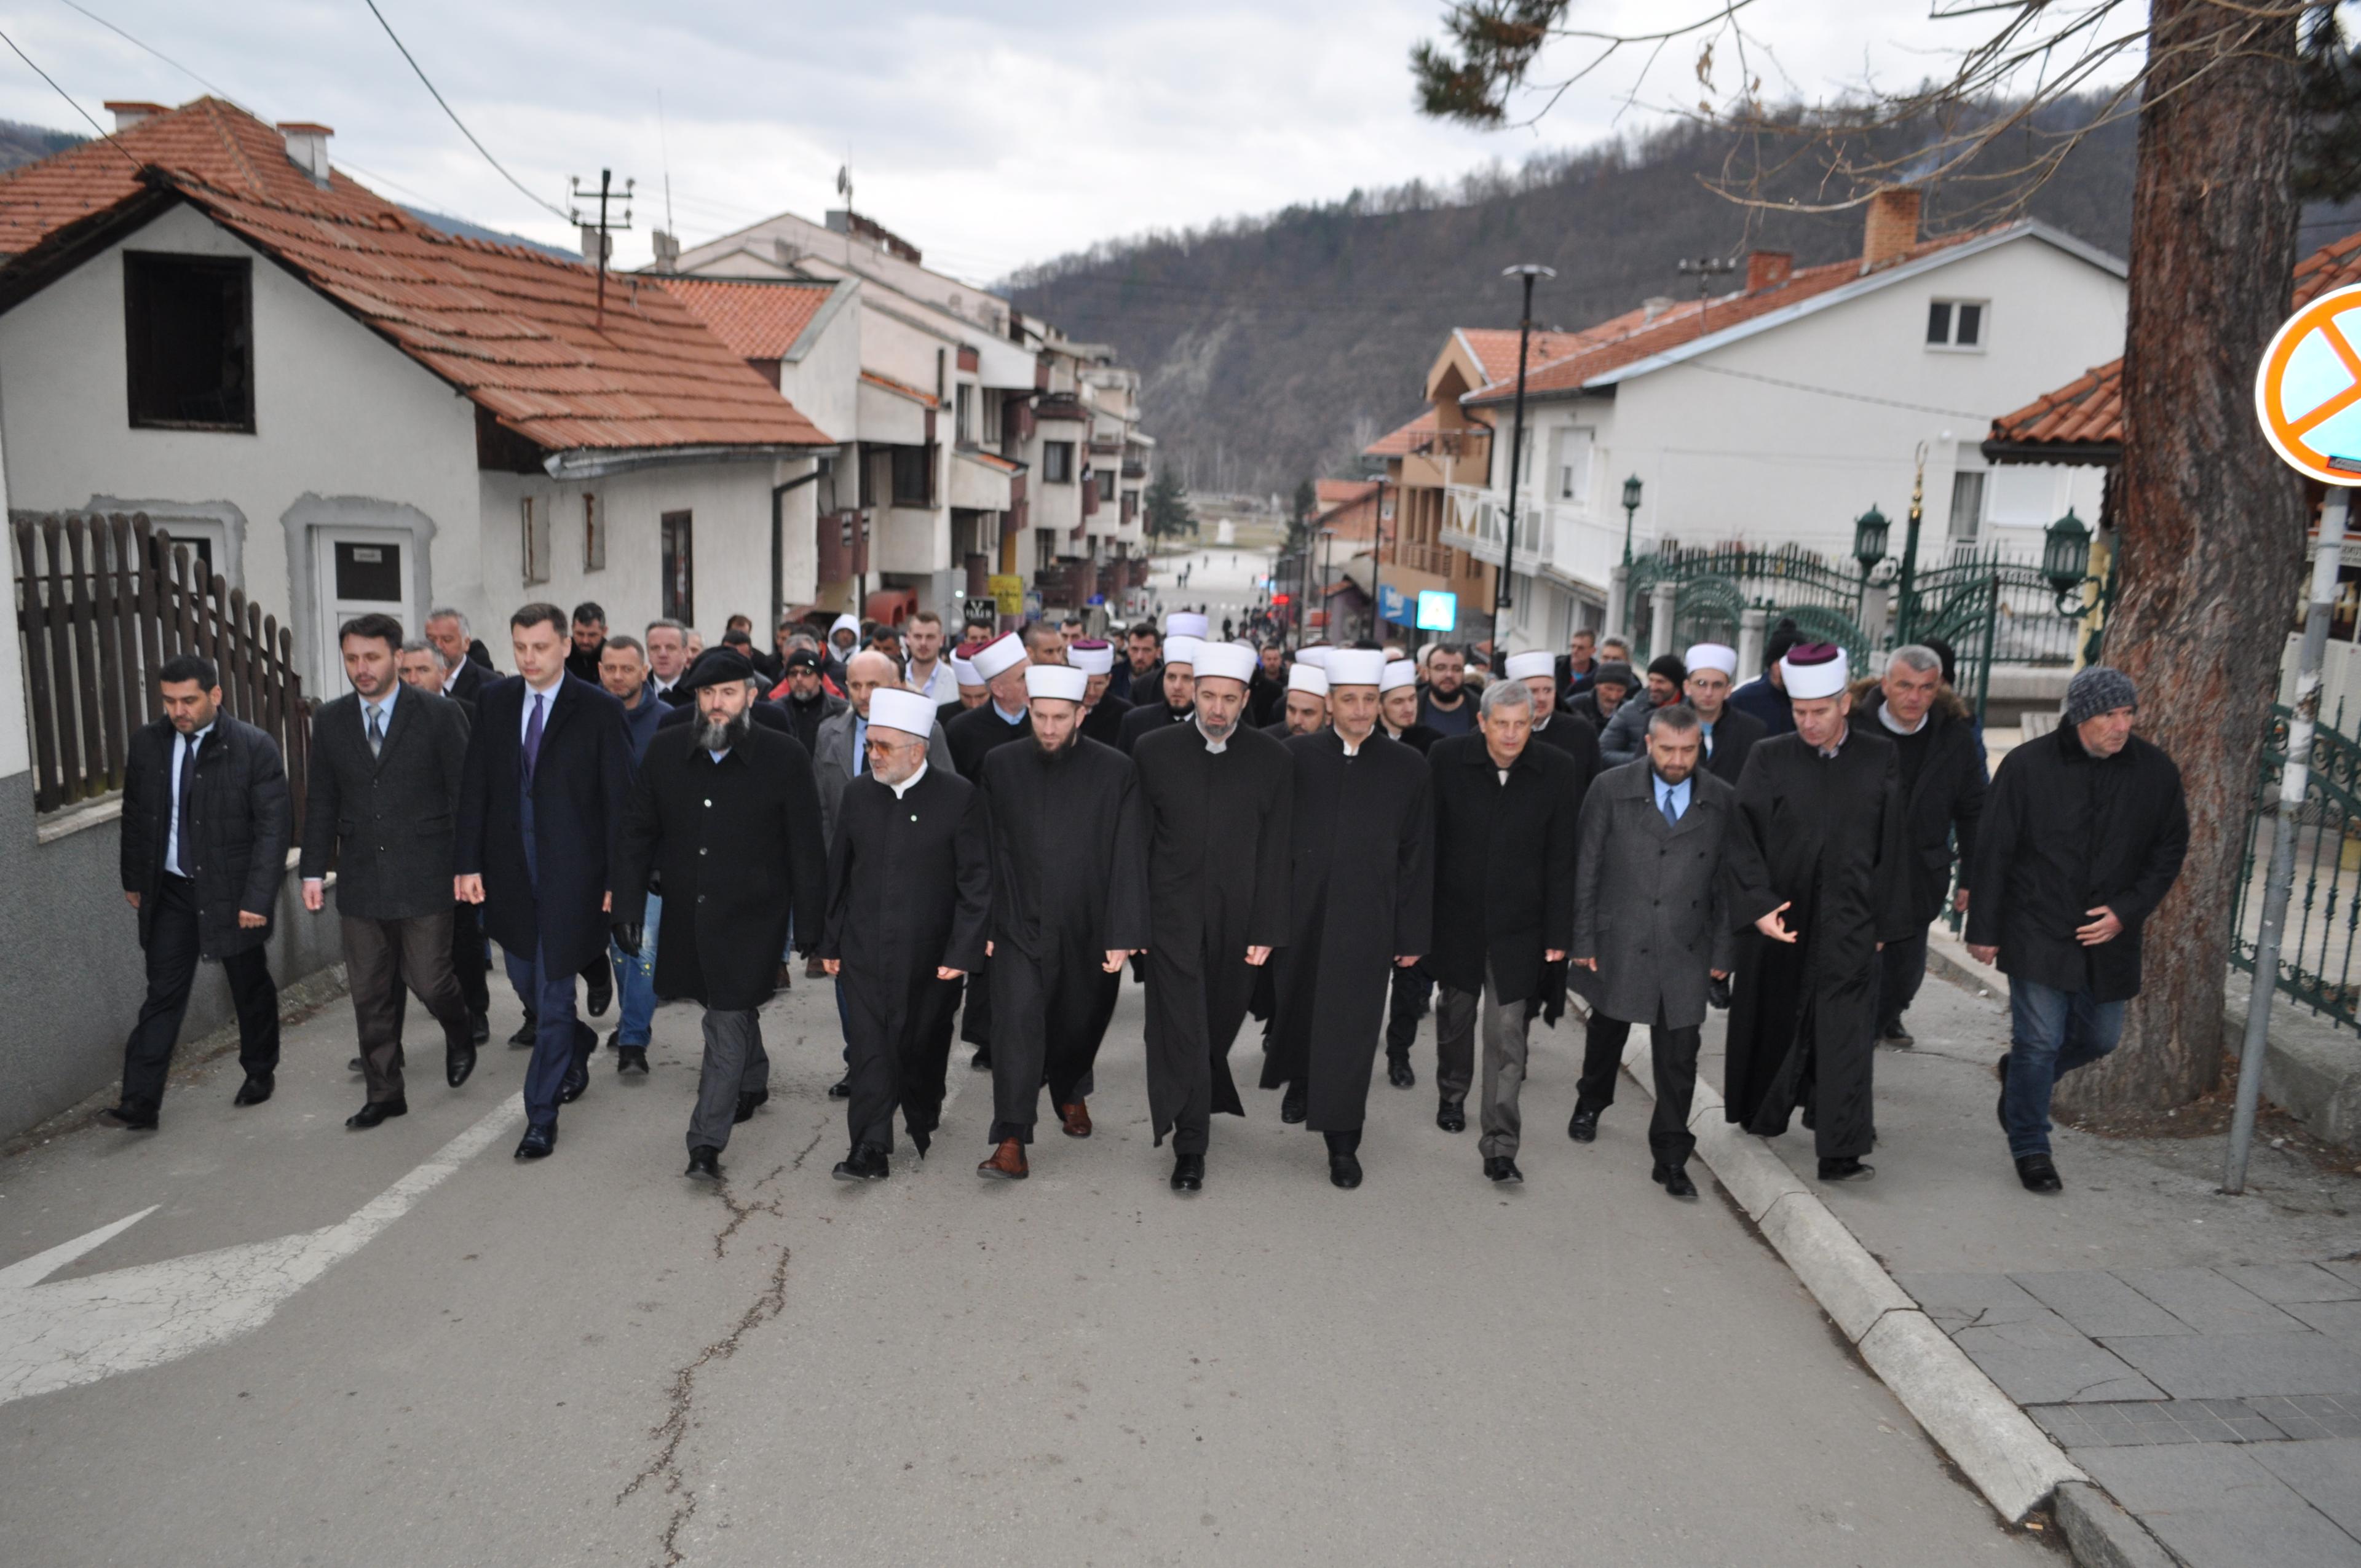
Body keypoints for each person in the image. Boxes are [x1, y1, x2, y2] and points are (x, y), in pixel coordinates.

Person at [1966, 667, 2186, 1195]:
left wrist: (2126, 911)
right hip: (2036, 924)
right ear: (2082, 715)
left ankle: (2020, 1078)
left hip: (2109, 933)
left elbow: (2169, 850)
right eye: (2110, 715)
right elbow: (1994, 849)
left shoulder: (2154, 771)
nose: (2121, 725)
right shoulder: (2027, 766)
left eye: (2128, 713)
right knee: (2039, 1040)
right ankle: (2031, 1146)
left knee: (2100, 1036)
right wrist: (1984, 928)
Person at [613, 650, 827, 1181]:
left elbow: (805, 846)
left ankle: (705, 1143)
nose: (716, 705)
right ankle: (753, 1079)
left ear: (751, 697)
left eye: (728, 693)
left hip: (755, 914)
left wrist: (814, 926)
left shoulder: (784, 757)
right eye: (708, 694)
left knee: (724, 1017)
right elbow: (638, 833)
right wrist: (627, 905)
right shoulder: (665, 751)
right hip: (689, 910)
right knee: (726, 1002)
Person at [1722, 644, 1913, 1184]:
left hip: (1852, 918)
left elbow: (1891, 841)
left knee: (1847, 1033)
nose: (1808, 723)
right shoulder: (1769, 756)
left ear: (1845, 704)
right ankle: (1766, 1110)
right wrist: (1758, 905)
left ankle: (1841, 1150)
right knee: (1778, 1019)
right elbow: (1742, 839)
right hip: (1782, 919)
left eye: (1820, 712)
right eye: (1800, 713)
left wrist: (1882, 923)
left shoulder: (1880, 757)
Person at [455, 602, 635, 1160]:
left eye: (539, 647)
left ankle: (541, 1114)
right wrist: (467, 865)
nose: (528, 658)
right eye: (519, 647)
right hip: (512, 877)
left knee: (554, 999)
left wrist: (617, 882)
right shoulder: (495, 702)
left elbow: (620, 805)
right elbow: (476, 789)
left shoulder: (599, 710)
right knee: (530, 986)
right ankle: (579, 1043)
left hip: (574, 882)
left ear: (564, 646)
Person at [1261, 649, 1433, 1188]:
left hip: (1369, 918)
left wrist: (1411, 932)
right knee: (1301, 1006)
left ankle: (1342, 1142)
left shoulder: (1409, 768)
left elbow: (1417, 855)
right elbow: (1269, 845)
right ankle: (1302, 1082)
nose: (1361, 711)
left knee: (1354, 1027)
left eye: (1369, 700)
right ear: (1329, 703)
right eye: (1349, 700)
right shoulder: (1293, 757)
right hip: (1300, 911)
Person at [299, 612, 478, 1125]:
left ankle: (459, 1026)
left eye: (372, 657)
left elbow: (464, 796)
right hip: (359, 875)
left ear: (398, 658)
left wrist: (468, 865)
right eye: (352, 658)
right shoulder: (331, 720)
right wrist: (313, 870)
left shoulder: (438, 716)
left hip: (426, 870)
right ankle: (385, 1094)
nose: (362, 668)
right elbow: (322, 801)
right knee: (370, 990)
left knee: (429, 978)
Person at [103, 654, 290, 1129]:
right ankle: (140, 1102)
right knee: (163, 993)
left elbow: (273, 829)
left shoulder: (254, 747)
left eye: (188, 700)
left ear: (216, 696)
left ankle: (259, 1070)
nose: (178, 710)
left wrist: (258, 897)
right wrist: (133, 879)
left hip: (233, 890)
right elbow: (135, 814)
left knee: (248, 983)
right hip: (170, 891)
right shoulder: (148, 744)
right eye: (169, 701)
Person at [975, 664, 1149, 1178]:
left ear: (1082, 714)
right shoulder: (1000, 765)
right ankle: (1011, 1137)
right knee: (1016, 1027)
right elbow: (982, 850)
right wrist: (983, 925)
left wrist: (1124, 931)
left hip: (1087, 928)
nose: (1049, 728)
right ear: (1029, 710)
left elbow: (1128, 853)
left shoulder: (1116, 770)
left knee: (1079, 1023)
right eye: (1041, 716)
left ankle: (1071, 1086)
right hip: (1016, 923)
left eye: (1060, 718)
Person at [1131, 639, 1292, 1192]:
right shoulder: (1153, 751)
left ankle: (1201, 1091)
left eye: (1229, 698)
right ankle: (1190, 1143)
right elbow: (1136, 844)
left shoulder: (1274, 759)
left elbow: (1278, 850)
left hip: (1241, 920)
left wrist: (1269, 926)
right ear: (1192, 694)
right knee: (1180, 1027)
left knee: (1217, 1026)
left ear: (1247, 698)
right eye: (1207, 696)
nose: (1217, 709)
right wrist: (1133, 922)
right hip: (1170, 918)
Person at [1568, 705, 1736, 1198]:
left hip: (1687, 944)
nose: (1678, 760)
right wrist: (1583, 939)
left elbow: (1730, 885)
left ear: (1700, 747)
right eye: (1668, 749)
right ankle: (1591, 1101)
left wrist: (1724, 953)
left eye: (1689, 750)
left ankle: (1669, 1157)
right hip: (1620, 934)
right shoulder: (1610, 788)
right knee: (1607, 1030)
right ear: (1648, 744)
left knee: (1680, 1056)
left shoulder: (1721, 800)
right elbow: (1587, 867)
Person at [820, 684, 984, 1179]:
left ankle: (924, 1101)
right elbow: (839, 875)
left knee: (921, 1044)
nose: (872, 754)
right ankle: (869, 1147)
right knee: (870, 1047)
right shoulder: (857, 795)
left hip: (932, 955)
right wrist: (829, 942)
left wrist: (963, 950)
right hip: (864, 949)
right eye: (870, 743)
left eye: (883, 747)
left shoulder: (959, 798)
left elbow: (976, 882)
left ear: (919, 749)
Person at [1425, 679, 1580, 1182]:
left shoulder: (1556, 769)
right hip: (1457, 919)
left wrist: (1560, 932)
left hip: (1522, 927)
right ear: (1482, 722)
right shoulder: (1447, 759)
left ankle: (1500, 1144)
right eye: (1503, 725)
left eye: (1523, 725)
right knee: (1455, 1016)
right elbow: (1429, 842)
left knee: (1509, 1033)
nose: (1513, 735)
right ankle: (1452, 1092)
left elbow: (1562, 857)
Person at [1850, 646, 1987, 1050]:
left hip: (1919, 874)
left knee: (1904, 975)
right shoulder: (1852, 728)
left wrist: (1971, 878)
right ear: (1886, 683)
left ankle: (1883, 1018)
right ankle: (1855, 1044)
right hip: (1859, 869)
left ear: (1938, 688)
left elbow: (1974, 811)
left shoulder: (1954, 737)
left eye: (1926, 688)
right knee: (1859, 969)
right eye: (1905, 686)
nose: (1915, 697)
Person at [596, 633, 668, 1071]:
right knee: (619, 951)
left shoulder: (667, 721)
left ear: (645, 671)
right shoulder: (587, 718)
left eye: (627, 668)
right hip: (601, 860)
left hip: (651, 859)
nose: (618, 676)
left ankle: (634, 1042)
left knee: (643, 948)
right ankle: (630, 1019)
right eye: (610, 668)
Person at [814, 650, 957, 849]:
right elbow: (823, 810)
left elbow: (946, 798)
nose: (864, 695)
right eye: (856, 686)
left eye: (873, 685)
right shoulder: (828, 733)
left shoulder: (925, 731)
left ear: (894, 686)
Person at [1506, 650, 1605, 791]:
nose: (1542, 698)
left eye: (1548, 690)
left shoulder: (1581, 731)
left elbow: (1595, 787)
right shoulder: (1498, 732)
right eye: (1533, 691)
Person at [1680, 643, 1766, 785]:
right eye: (1701, 684)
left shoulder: (1753, 730)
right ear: (1687, 687)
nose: (1709, 693)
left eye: (1717, 685)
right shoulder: (1662, 722)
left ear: (1728, 690)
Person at [1597, 654, 1688, 766]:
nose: (1654, 687)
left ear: (1676, 685)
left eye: (1661, 682)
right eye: (1651, 680)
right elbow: (1602, 752)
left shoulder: (1691, 714)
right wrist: (1643, 760)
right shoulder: (1630, 710)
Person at [1118, 635, 1200, 752]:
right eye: (1171, 677)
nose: (1177, 686)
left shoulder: (1211, 726)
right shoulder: (1135, 722)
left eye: (1187, 678)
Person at [1726, 620, 1800, 737]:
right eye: (1783, 662)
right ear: (1771, 663)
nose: (1789, 669)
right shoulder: (1743, 700)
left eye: (1795, 664)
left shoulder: (1809, 701)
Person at [775, 648, 847, 753]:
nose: (799, 678)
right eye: (793, 673)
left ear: (820, 679)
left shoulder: (840, 710)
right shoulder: (777, 711)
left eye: (807, 672)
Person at [1070, 638, 1133, 746]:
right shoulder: (1057, 710)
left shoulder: (1126, 714)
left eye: (1099, 684)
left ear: (1109, 680)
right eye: (1086, 684)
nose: (1092, 692)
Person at [425, 608, 492, 703]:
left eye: (447, 640)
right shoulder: (412, 679)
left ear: (466, 643)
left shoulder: (488, 684)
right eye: (431, 640)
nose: (438, 646)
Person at [1377, 659, 1441, 754]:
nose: (1409, 709)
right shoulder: (1361, 741)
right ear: (1379, 706)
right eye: (1398, 702)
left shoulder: (1433, 743)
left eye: (1412, 699)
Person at [1419, 644, 1476, 736]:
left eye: (1456, 669)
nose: (1449, 675)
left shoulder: (1481, 709)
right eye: (1440, 668)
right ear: (1427, 673)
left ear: (1463, 673)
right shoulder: (1412, 708)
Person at [1565, 660, 1633, 735]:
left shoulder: (1630, 712)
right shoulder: (1573, 706)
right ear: (1597, 686)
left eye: (1620, 691)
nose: (1614, 696)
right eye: (1609, 689)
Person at [903, 609, 955, 705]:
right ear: (908, 638)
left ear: (941, 640)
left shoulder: (956, 681)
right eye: (918, 636)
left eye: (930, 637)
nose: (923, 643)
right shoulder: (895, 679)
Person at [1271, 661, 1327, 737]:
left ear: (1328, 715)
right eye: (1292, 710)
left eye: (1307, 713)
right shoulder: (1269, 742)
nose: (1297, 721)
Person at [1112, 621, 1161, 705]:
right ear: (1128, 650)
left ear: (1158, 652)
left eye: (1146, 650)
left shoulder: (1167, 681)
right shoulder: (1113, 678)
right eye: (1135, 649)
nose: (1140, 657)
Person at [644, 619, 693, 704]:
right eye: (655, 648)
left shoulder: (699, 690)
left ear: (685, 653)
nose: (663, 654)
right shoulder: (636, 691)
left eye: (670, 648)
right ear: (648, 653)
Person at [1555, 628, 1600, 708]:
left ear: (1593, 651)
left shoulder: (1598, 675)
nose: (1575, 651)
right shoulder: (1555, 667)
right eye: (1573, 646)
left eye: (1581, 648)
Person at [564, 602, 607, 684]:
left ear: (604, 631)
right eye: (580, 634)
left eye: (592, 635)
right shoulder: (560, 655)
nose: (585, 641)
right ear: (572, 629)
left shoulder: (613, 656)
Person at [1248, 641, 1287, 728]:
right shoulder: (1255, 684)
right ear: (1262, 660)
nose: (1272, 662)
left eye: (1275, 659)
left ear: (1280, 660)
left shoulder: (1288, 682)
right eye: (1269, 659)